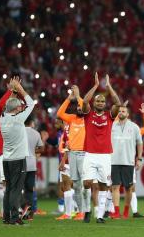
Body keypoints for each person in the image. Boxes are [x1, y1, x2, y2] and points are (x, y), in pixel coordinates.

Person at [81, 73, 121, 223]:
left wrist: (109, 87)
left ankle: (99, 215)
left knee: (104, 185)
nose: (100, 103)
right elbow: (84, 101)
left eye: (102, 101)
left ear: (105, 104)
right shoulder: (88, 114)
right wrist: (96, 86)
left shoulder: (109, 116)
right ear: (95, 103)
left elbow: (118, 103)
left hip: (105, 155)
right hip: (90, 154)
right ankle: (86, 210)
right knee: (87, 183)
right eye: (98, 101)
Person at [0, 78, 35, 225]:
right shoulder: (18, 119)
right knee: (16, 189)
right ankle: (15, 218)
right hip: (18, 159)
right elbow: (31, 103)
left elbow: (6, 106)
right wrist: (19, 88)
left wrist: (12, 92)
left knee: (8, 189)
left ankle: (6, 217)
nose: (21, 107)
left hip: (6, 159)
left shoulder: (3, 118)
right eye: (19, 106)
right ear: (16, 109)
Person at [56, 85, 86, 221]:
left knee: (85, 185)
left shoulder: (87, 119)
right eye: (78, 107)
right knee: (72, 185)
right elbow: (59, 114)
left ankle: (87, 211)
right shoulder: (72, 119)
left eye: (81, 107)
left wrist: (78, 95)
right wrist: (69, 99)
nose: (79, 108)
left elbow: (85, 106)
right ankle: (74, 212)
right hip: (71, 155)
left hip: (84, 155)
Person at [110, 106, 143, 219]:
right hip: (113, 160)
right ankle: (116, 211)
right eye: (119, 111)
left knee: (128, 188)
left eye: (123, 111)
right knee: (115, 187)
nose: (120, 112)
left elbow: (139, 143)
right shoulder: (112, 125)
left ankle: (126, 211)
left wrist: (139, 158)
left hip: (128, 161)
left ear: (128, 114)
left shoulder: (134, 127)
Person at [22, 117, 44, 220]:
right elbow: (42, 148)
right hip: (31, 163)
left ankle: (20, 210)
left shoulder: (19, 132)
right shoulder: (36, 133)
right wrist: (32, 151)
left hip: (20, 163)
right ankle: (30, 214)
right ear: (31, 123)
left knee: (17, 188)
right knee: (29, 189)